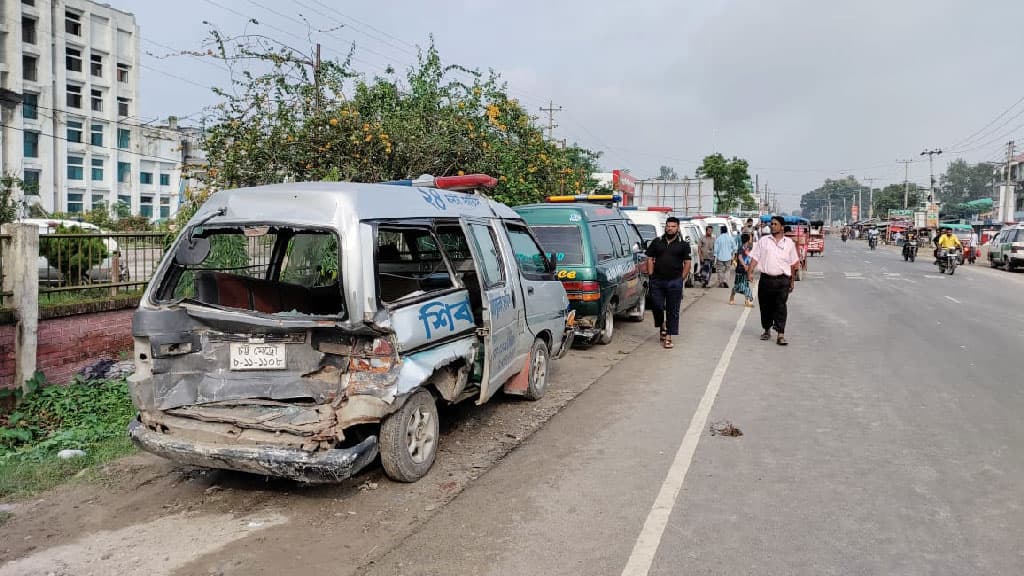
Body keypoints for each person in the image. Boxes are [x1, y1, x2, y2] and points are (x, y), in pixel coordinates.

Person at [747, 216, 801, 346]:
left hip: (783, 280)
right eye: (771, 224)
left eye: (775, 224)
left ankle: (781, 334)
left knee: (781, 306)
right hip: (766, 279)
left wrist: (792, 281)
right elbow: (755, 257)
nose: (772, 226)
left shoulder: (789, 243)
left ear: (782, 227)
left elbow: (794, 264)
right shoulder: (763, 241)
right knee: (765, 306)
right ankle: (766, 329)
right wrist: (749, 271)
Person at [645, 217, 692, 350]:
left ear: (678, 227)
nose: (669, 228)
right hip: (657, 281)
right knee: (657, 306)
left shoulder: (683, 244)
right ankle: (662, 326)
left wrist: (681, 279)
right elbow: (649, 258)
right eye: (668, 226)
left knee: (673, 310)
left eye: (673, 226)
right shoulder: (657, 242)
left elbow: (687, 263)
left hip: (674, 282)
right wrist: (651, 275)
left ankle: (669, 336)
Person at [729, 233, 755, 307]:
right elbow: (740, 257)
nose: (751, 239)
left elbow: (750, 258)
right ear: (747, 239)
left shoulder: (749, 248)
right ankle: (732, 296)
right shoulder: (741, 248)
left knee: (746, 285)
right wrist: (744, 265)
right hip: (740, 270)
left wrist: (750, 268)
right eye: (750, 238)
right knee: (737, 286)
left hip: (746, 270)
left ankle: (748, 300)